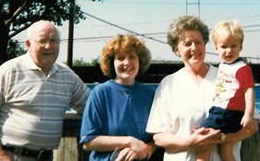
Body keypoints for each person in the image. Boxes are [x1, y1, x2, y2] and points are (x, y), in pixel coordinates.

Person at [146, 15, 259, 161]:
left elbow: (253, 125)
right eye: (187, 44)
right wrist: (191, 142)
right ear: (176, 49)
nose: (194, 48)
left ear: (205, 45)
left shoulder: (228, 75)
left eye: (198, 42)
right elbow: (159, 137)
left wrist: (221, 138)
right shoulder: (168, 84)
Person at [0, 20, 91, 161]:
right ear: (29, 44)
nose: (48, 46)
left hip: (46, 157)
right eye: (42, 41)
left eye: (53, 40)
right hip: (9, 157)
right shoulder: (9, 71)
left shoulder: (68, 77)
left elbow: (93, 107)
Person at [80, 34, 157, 161]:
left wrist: (147, 150)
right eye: (120, 58)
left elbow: (158, 138)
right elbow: (88, 141)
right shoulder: (100, 93)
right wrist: (129, 142)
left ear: (140, 60)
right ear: (112, 63)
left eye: (132, 57)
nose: (127, 62)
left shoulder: (150, 95)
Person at [196, 20, 256, 161]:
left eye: (233, 46)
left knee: (203, 140)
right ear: (216, 48)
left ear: (241, 46)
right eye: (224, 47)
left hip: (227, 111)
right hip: (223, 108)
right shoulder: (224, 65)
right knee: (226, 150)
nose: (229, 50)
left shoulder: (241, 68)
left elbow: (249, 91)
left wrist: (248, 114)